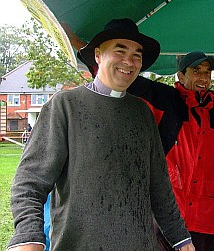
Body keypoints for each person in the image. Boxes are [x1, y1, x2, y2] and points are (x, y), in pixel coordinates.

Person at [7, 19, 195, 251]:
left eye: (137, 54)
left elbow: (159, 185)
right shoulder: (65, 106)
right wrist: (28, 235)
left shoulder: (142, 112)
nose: (130, 61)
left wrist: (181, 238)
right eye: (120, 50)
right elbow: (30, 182)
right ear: (97, 55)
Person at [63, 22, 214, 251]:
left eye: (207, 72)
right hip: (168, 218)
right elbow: (120, 75)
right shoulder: (164, 99)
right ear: (180, 75)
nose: (203, 77)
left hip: (208, 220)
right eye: (196, 71)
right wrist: (80, 45)